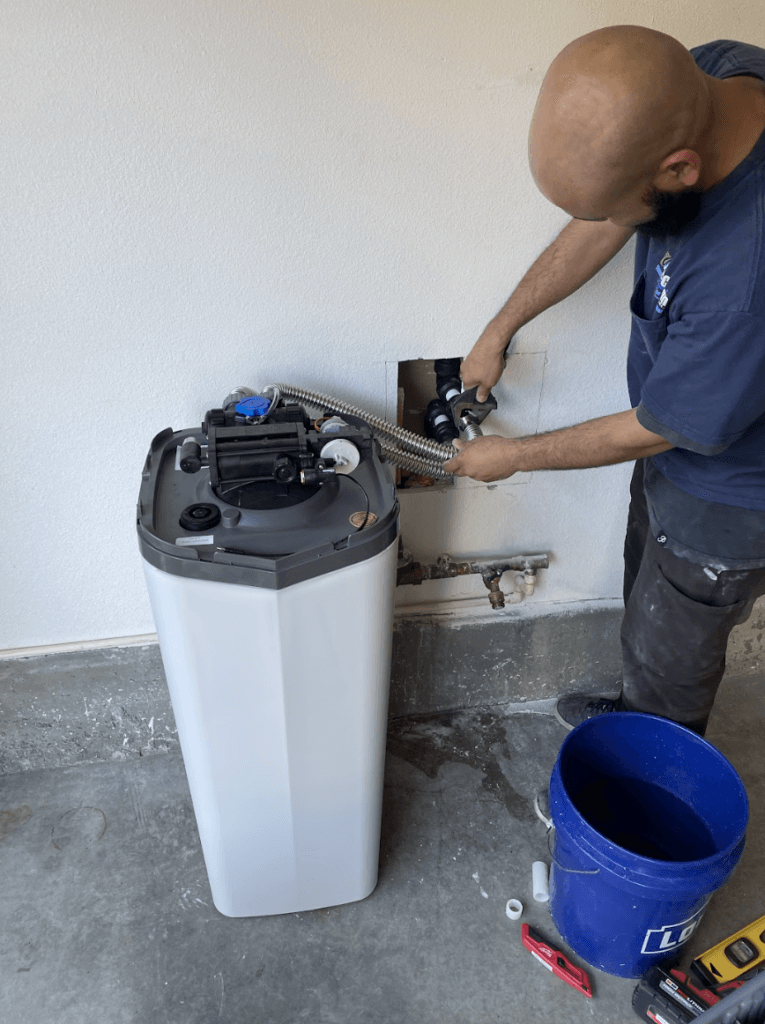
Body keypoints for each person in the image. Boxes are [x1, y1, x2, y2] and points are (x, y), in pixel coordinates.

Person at [443, 27, 765, 737]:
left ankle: (644, 799)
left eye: (618, 206)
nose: (611, 223)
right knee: (646, 591)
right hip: (680, 437)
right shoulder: (709, 80)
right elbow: (606, 220)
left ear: (679, 169)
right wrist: (500, 329)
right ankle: (635, 714)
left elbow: (659, 425)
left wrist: (513, 457)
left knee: (672, 651)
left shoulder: (741, 282)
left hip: (732, 493)